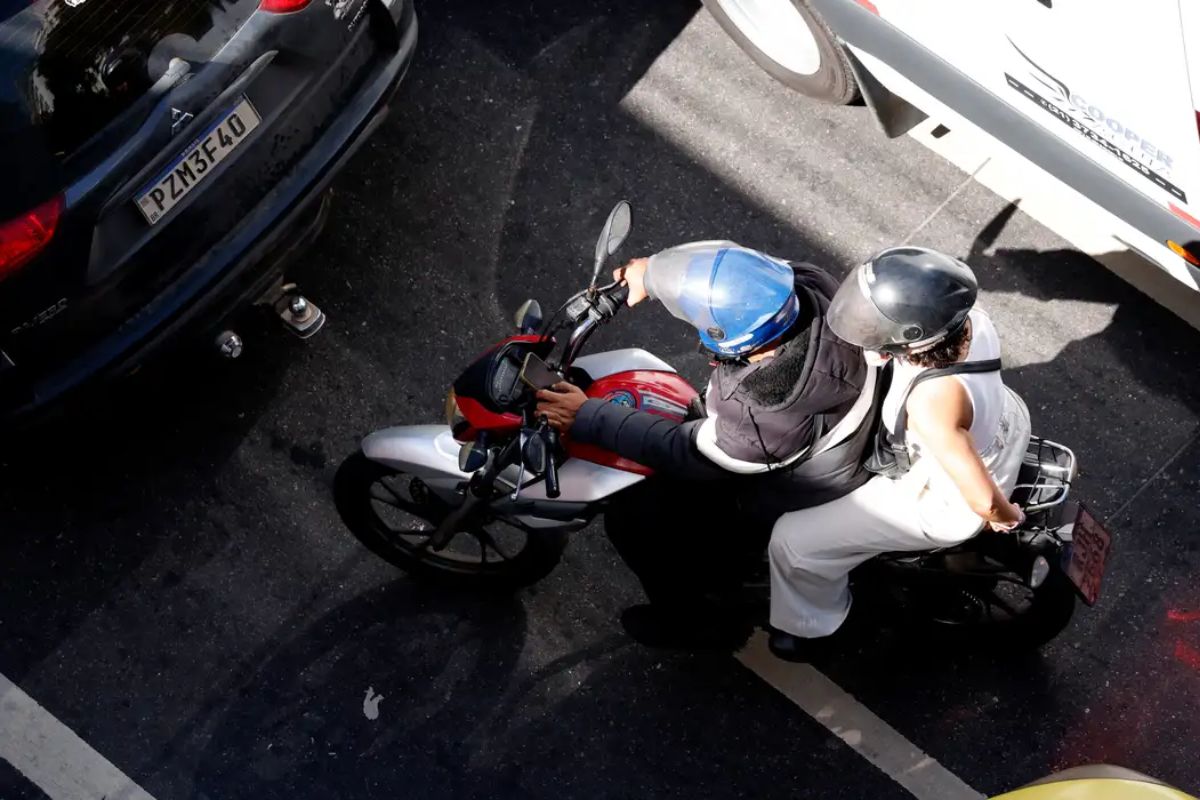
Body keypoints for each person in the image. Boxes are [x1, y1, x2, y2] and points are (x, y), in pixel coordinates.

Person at [535, 242, 877, 648]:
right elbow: (741, 271)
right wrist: (653, 274)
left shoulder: (763, 413)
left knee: (637, 520)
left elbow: (689, 451)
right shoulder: (808, 287)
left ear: (739, 345)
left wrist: (587, 416)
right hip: (830, 425)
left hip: (791, 485)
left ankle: (692, 625)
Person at [766, 246, 1030, 661]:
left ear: (914, 337)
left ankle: (814, 626)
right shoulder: (971, 320)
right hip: (1005, 424)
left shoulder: (933, 402)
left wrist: (1005, 517)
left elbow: (980, 499)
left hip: (940, 497)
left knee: (793, 541)